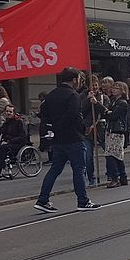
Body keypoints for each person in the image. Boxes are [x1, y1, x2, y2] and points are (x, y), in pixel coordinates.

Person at [34, 67, 100, 212]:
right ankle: (83, 201)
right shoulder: (73, 95)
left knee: (55, 168)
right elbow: (74, 116)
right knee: (79, 169)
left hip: (58, 140)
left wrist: (54, 129)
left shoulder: (51, 95)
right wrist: (83, 129)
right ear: (74, 80)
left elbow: (43, 115)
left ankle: (43, 199)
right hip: (74, 137)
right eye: (79, 80)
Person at [92, 81, 130, 188]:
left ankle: (115, 177)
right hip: (111, 130)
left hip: (117, 131)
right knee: (116, 155)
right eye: (113, 87)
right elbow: (107, 112)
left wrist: (107, 112)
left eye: (116, 88)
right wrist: (100, 106)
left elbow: (113, 116)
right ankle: (122, 177)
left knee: (111, 155)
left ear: (122, 90)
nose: (113, 89)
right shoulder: (114, 101)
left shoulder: (122, 103)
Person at [0, 105, 29, 179]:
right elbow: (0, 131)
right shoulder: (7, 123)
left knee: (2, 148)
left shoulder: (19, 122)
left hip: (17, 144)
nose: (8, 113)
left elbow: (23, 137)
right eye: (7, 111)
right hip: (9, 143)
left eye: (10, 112)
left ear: (13, 113)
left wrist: (10, 140)